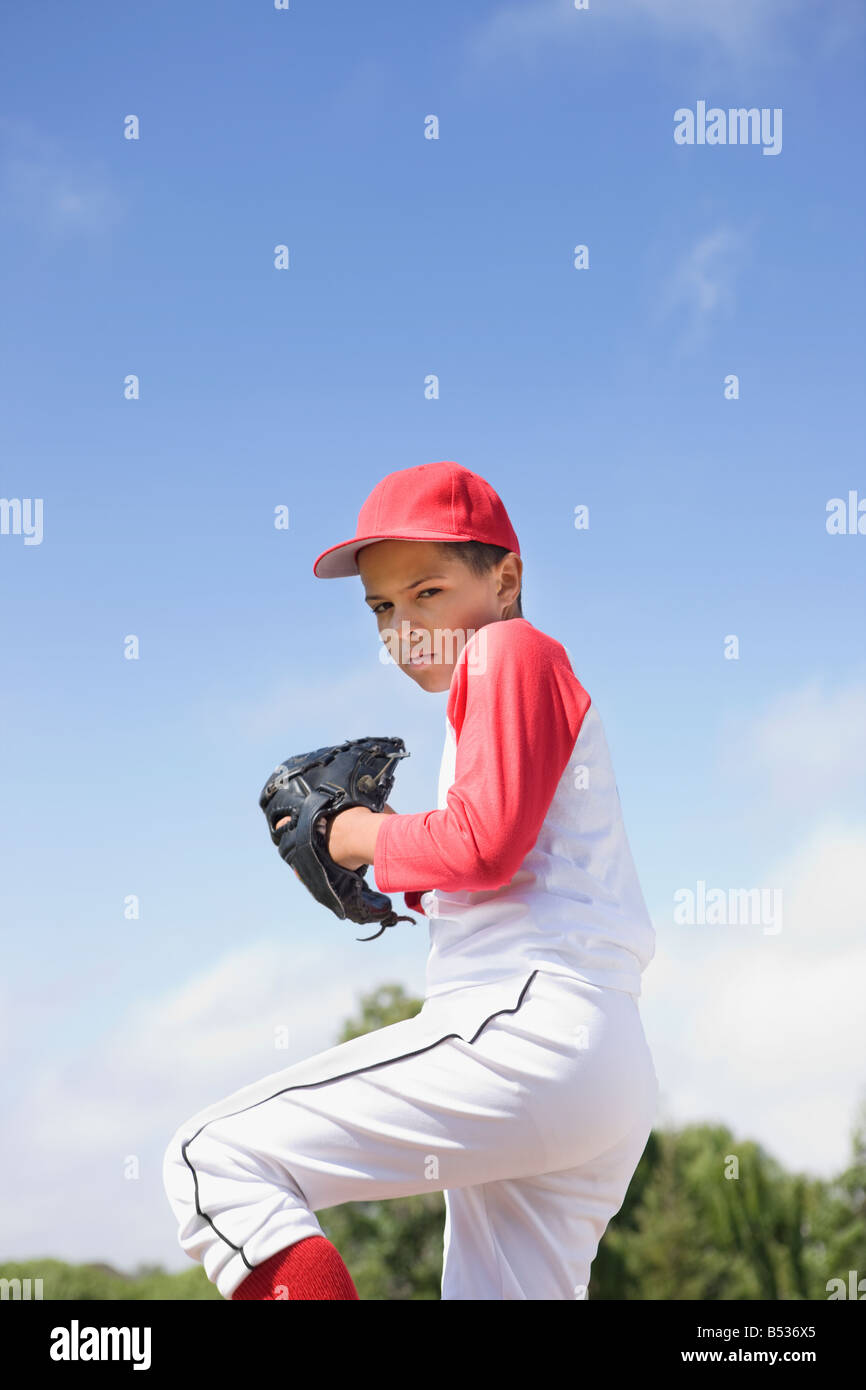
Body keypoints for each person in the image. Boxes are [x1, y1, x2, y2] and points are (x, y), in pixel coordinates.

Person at [162, 460, 659, 1300]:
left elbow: (484, 843)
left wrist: (355, 834)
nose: (403, 628)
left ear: (506, 579)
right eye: (383, 608)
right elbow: (490, 850)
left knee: (215, 1160)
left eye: (427, 593)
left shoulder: (510, 650)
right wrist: (399, 871)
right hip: (590, 1059)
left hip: (529, 1023)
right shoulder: (505, 680)